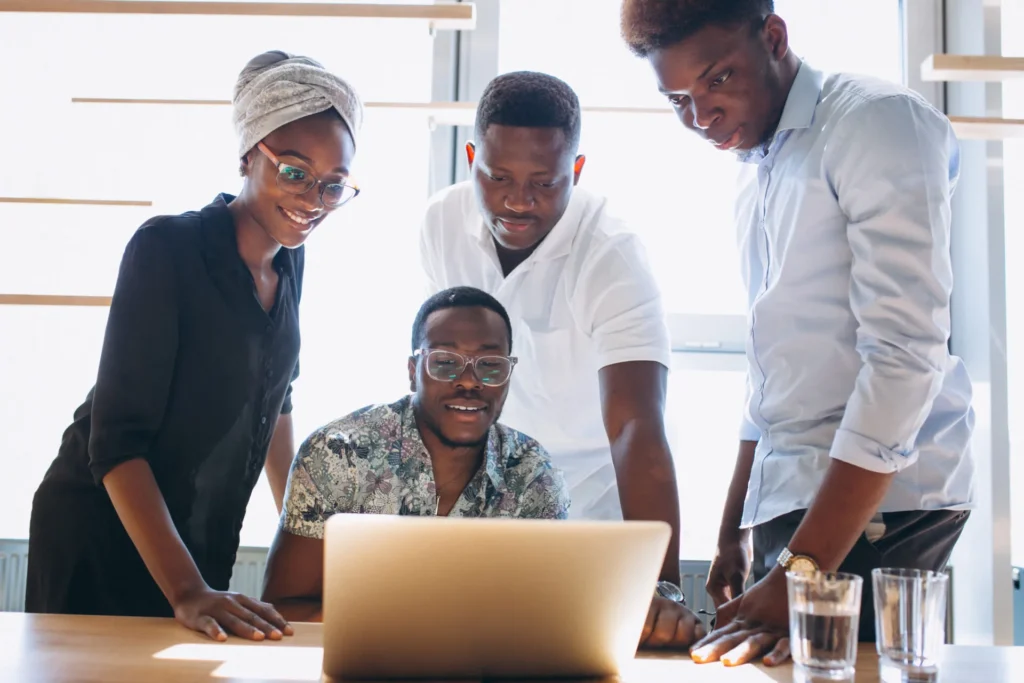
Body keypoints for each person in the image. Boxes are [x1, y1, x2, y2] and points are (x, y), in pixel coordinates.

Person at [621, 0, 976, 667]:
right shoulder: (757, 170)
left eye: (718, 79)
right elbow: (771, 377)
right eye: (678, 101)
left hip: (880, 504)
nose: (701, 118)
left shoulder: (873, 123)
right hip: (793, 503)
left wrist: (800, 571)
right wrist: (733, 528)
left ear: (775, 38)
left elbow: (903, 358)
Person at [25, 50, 363, 642]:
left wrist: (307, 543)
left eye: (333, 185)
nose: (313, 199)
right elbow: (116, 443)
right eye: (294, 171)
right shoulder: (169, 248)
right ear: (247, 155)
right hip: (105, 529)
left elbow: (277, 404)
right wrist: (186, 588)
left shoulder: (291, 263)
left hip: (197, 540)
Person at [418, 71, 701, 649]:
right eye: (497, 177)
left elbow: (635, 427)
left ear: (575, 171)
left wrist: (664, 590)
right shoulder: (441, 223)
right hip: (475, 520)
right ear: (471, 157)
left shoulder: (612, 255)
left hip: (587, 521)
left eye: (543, 183)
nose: (517, 201)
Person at [260, 286, 570, 621]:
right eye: (446, 362)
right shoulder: (338, 453)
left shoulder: (532, 472)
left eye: (490, 365)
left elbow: (546, 616)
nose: (469, 381)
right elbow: (283, 609)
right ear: (413, 372)